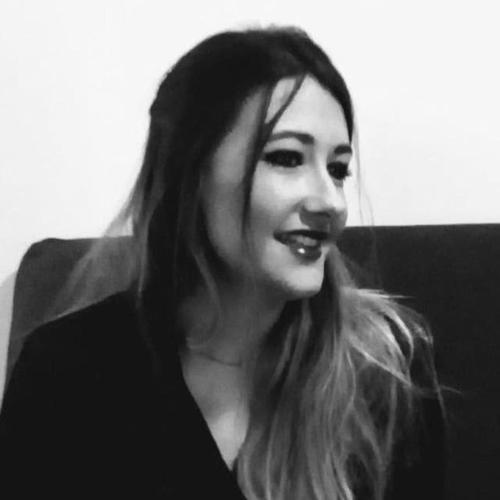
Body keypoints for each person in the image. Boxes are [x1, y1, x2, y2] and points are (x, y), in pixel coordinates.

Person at [0, 26, 446, 499]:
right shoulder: (69, 372)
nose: (330, 202)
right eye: (287, 158)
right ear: (188, 177)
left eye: (337, 169)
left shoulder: (383, 369)